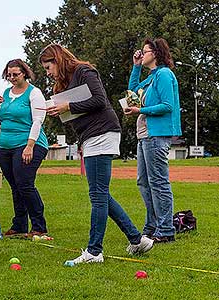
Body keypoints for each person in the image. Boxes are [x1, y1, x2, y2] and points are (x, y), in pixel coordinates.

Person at [39, 44, 153, 265]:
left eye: (48, 67)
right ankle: (137, 240)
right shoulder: (63, 84)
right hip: (90, 137)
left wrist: (67, 106)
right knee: (101, 194)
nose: (48, 72)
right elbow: (76, 117)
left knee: (98, 195)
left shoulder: (84, 71)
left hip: (103, 132)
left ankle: (94, 252)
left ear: (58, 59)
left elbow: (99, 100)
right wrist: (64, 112)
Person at [125, 38, 181, 243]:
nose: (142, 53)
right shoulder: (152, 77)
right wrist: (136, 67)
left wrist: (141, 110)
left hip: (156, 135)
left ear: (155, 53)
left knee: (158, 182)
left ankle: (165, 230)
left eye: (145, 51)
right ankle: (152, 226)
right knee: (144, 183)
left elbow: (167, 105)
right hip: (145, 136)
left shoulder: (164, 74)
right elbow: (133, 93)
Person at [0, 59, 49, 237]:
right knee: (15, 186)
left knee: (25, 184)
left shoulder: (34, 93)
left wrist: (29, 145)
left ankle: (39, 226)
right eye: (9, 74)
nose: (12, 77)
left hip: (28, 144)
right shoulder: (6, 93)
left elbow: (38, 120)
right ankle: (19, 225)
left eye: (15, 74)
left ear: (24, 73)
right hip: (5, 146)